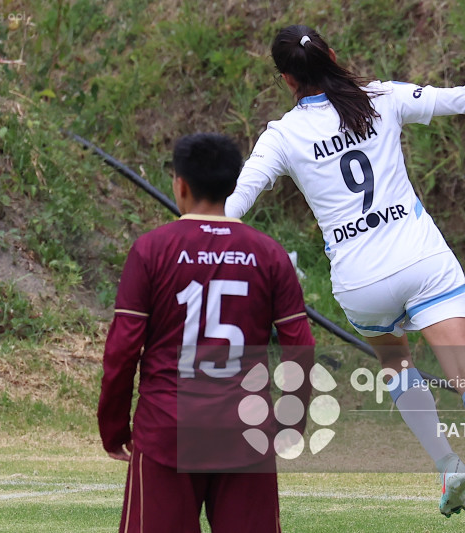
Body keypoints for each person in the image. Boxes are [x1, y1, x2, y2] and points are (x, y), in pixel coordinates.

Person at [225, 24, 465, 533]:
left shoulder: (281, 135)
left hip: (360, 281)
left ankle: (448, 465)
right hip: (421, 259)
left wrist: (189, 242)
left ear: (286, 81)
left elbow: (235, 203)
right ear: (332, 56)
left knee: (396, 363)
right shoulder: (380, 98)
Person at [98, 132, 314, 533]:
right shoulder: (269, 254)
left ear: (179, 184)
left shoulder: (150, 249)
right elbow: (299, 347)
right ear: (234, 185)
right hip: (246, 432)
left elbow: (122, 349)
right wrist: (289, 423)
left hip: (167, 431)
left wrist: (113, 428)